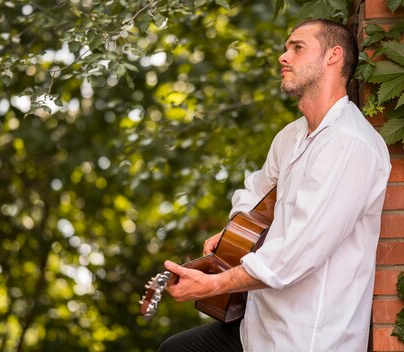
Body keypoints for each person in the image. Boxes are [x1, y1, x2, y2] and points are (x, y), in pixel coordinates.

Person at [158, 19, 391, 351]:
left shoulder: (350, 144)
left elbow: (295, 255)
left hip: (308, 337)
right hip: (257, 326)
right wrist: (233, 238)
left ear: (333, 56)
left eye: (297, 48)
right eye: (285, 48)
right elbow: (254, 194)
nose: (283, 56)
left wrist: (214, 284)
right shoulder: (290, 136)